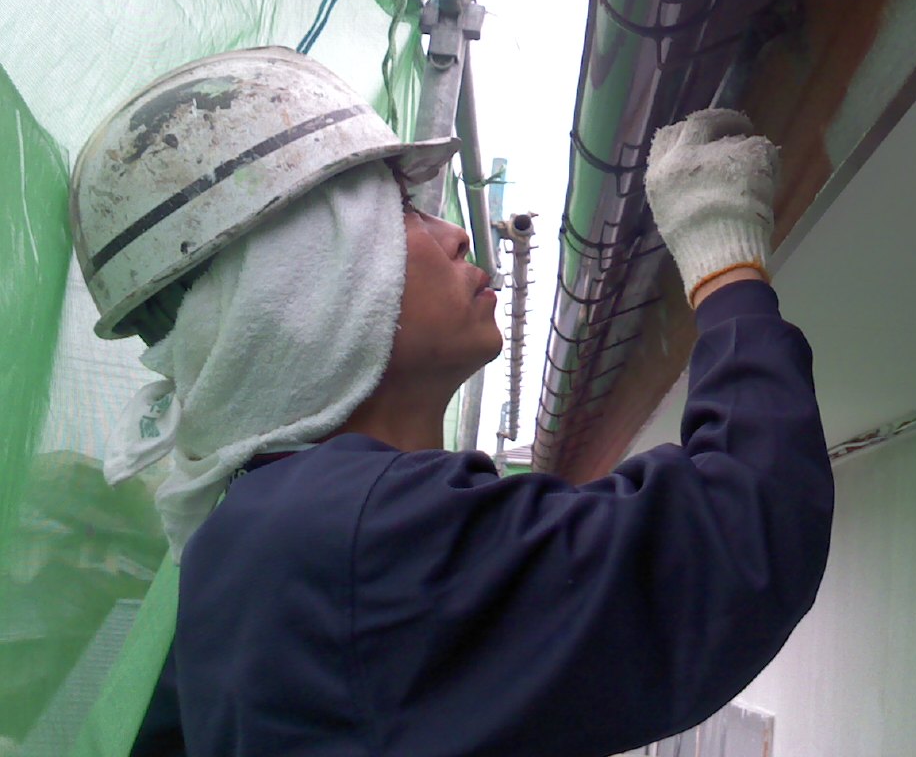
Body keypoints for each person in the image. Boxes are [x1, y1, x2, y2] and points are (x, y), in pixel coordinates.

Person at [66, 47, 832, 756]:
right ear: (304, 290)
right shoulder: (354, 539)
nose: (456, 234)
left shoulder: (244, 542)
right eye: (401, 214)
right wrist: (721, 257)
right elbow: (733, 544)